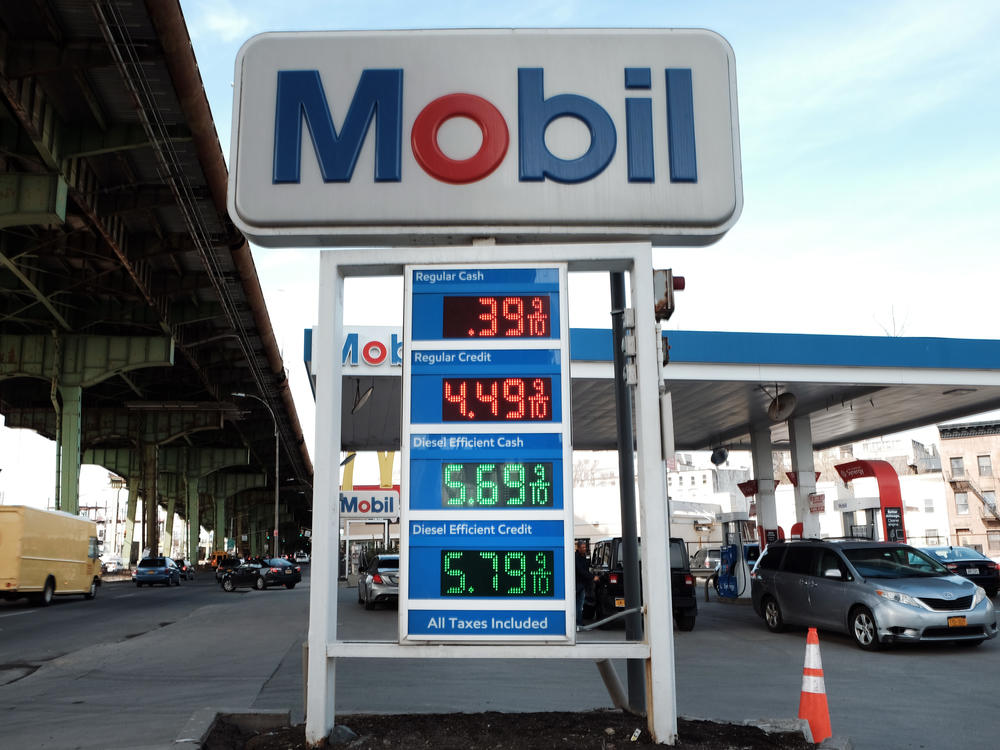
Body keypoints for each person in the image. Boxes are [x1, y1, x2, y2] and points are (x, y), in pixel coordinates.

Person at [574, 541, 594, 631]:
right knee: (578, 605)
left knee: (580, 605)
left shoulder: (584, 556)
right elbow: (581, 570)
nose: (584, 549)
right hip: (577, 584)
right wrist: (592, 577)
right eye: (582, 547)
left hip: (582, 584)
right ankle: (578, 624)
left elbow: (587, 567)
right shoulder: (576, 557)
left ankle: (579, 623)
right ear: (578, 548)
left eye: (585, 547)